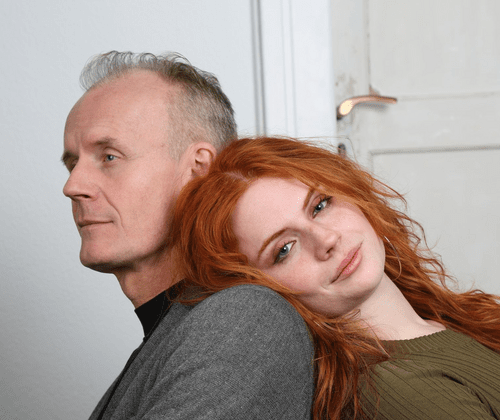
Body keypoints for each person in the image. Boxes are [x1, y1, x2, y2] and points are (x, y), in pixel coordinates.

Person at [171, 136, 500, 420]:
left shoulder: (454, 318)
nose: (326, 239)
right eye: (285, 249)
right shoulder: (394, 388)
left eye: (320, 206)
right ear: (258, 288)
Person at [62, 53, 314, 419]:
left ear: (198, 169)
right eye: (73, 163)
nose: (73, 186)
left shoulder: (243, 320)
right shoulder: (174, 334)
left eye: (109, 157)